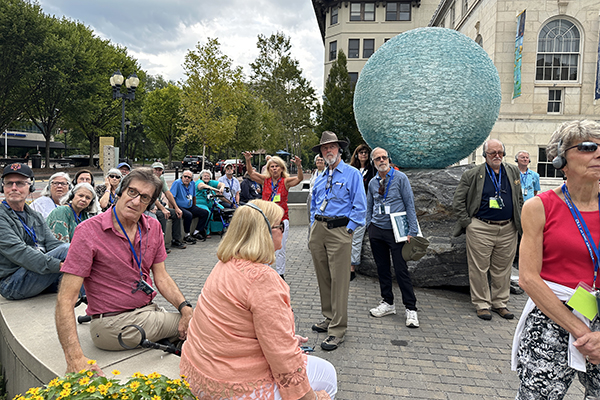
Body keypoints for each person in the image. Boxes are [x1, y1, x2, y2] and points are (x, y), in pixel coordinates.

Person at [180, 200, 337, 400]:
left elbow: (238, 329)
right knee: (328, 375)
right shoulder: (263, 279)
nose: (283, 230)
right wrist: (312, 398)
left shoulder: (225, 263)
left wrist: (286, 340)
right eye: (280, 225)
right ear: (265, 233)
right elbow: (282, 356)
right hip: (231, 385)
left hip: (200, 372)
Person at [55, 168, 193, 374]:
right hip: (112, 323)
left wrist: (185, 307)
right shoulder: (88, 231)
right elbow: (65, 299)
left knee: (189, 322)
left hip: (146, 312)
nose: (136, 201)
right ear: (120, 191)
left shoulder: (153, 227)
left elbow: (162, 277)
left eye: (145, 197)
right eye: (132, 192)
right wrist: (74, 359)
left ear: (150, 203)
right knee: (203, 324)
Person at [511, 120, 600, 398]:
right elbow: (528, 278)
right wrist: (581, 332)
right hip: (552, 320)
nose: (598, 153)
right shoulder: (539, 206)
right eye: (588, 147)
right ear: (561, 159)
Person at [452, 139, 523, 321]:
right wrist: (468, 223)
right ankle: (482, 304)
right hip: (481, 228)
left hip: (508, 228)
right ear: (485, 155)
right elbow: (458, 201)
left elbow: (519, 198)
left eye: (500, 152)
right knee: (479, 268)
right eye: (492, 153)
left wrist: (519, 221)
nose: (497, 156)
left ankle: (500, 303)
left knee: (503, 268)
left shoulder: (513, 171)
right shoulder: (473, 174)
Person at [308, 131, 366, 351]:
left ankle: (338, 329)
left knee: (340, 280)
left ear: (339, 150)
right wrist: (314, 223)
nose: (328, 151)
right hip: (319, 229)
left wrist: (349, 230)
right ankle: (329, 317)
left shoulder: (352, 174)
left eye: (332, 147)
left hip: (339, 230)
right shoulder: (321, 175)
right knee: (323, 277)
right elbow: (314, 201)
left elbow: (360, 206)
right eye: (324, 148)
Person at [366, 147, 420, 328]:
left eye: (384, 157)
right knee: (382, 268)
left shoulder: (400, 178)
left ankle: (411, 308)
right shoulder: (373, 182)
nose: (381, 161)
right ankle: (387, 302)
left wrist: (412, 230)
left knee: (401, 269)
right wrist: (368, 226)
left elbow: (409, 204)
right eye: (377, 159)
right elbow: (369, 205)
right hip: (377, 230)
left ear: (389, 159)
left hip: (397, 231)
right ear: (373, 162)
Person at [0, 163, 70, 300]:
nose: (14, 188)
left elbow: (54, 245)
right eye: (9, 184)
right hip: (12, 283)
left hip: (37, 273)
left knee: (85, 272)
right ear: (2, 187)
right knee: (68, 250)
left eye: (20, 183)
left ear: (30, 187)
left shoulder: (34, 215)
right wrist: (61, 265)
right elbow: (21, 252)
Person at [243, 152, 304, 279]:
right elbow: (251, 173)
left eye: (277, 166)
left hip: (281, 220)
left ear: (282, 168)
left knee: (280, 249)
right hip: (266, 220)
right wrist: (248, 160)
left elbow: (299, 179)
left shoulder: (285, 181)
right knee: (265, 246)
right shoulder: (265, 181)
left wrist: (299, 166)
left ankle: (280, 274)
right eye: (272, 166)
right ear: (268, 169)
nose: (274, 168)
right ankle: (266, 271)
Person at [349, 144, 376, 281]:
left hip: (363, 208)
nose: (363, 155)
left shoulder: (372, 170)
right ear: (356, 154)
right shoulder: (351, 170)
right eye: (361, 152)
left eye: (366, 152)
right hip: (348, 208)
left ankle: (352, 268)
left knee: (356, 238)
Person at [150, 162, 186, 250]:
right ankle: (160, 245)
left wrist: (176, 207)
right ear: (151, 170)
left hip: (158, 205)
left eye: (160, 170)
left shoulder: (161, 179)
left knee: (176, 214)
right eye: (155, 170)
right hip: (149, 206)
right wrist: (163, 209)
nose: (157, 172)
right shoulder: (148, 180)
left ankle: (176, 240)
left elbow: (167, 193)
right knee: (162, 215)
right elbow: (152, 197)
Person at [169, 170, 208, 243]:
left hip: (189, 205)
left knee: (205, 213)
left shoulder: (192, 183)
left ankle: (197, 232)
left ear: (191, 179)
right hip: (179, 206)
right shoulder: (177, 183)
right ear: (182, 177)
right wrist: (173, 210)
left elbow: (193, 196)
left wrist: (195, 206)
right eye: (185, 176)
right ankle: (187, 234)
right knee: (188, 215)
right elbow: (171, 197)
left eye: (189, 177)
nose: (186, 178)